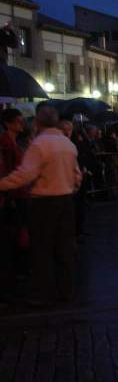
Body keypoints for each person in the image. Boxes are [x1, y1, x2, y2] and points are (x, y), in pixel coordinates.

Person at [0, 104, 81, 306]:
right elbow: (77, 175)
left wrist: (3, 184)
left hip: (44, 201)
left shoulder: (39, 145)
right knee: (64, 248)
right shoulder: (67, 144)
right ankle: (66, 291)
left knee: (42, 249)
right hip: (66, 200)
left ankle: (43, 293)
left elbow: (26, 174)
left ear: (37, 121)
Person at [0, 109, 29, 299]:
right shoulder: (5, 144)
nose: (22, 124)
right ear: (8, 123)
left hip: (19, 192)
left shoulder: (15, 143)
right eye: (18, 121)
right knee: (12, 235)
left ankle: (17, 271)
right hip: (12, 194)